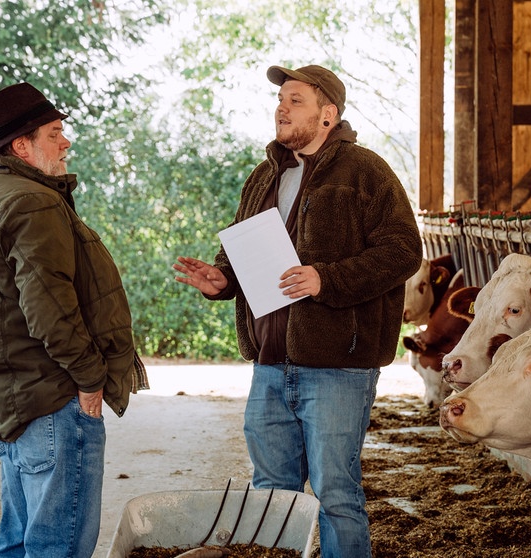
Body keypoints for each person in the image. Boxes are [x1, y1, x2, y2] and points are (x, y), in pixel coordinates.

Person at [173, 65, 422, 558]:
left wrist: (327, 278)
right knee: (270, 494)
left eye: (296, 99)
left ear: (328, 114)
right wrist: (221, 281)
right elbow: (244, 253)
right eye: (280, 99)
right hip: (268, 363)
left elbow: (403, 251)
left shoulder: (365, 171)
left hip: (337, 367)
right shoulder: (264, 174)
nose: (282, 107)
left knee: (336, 496)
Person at [0, 82, 147, 558]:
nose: (66, 142)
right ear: (21, 146)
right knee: (58, 548)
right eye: (55, 133)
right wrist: (90, 381)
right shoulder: (33, 202)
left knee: (18, 544)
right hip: (51, 401)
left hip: (11, 404)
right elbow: (51, 310)